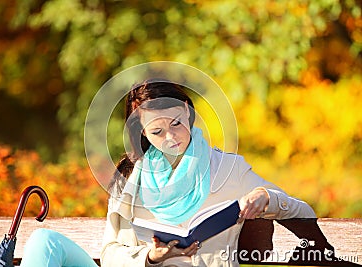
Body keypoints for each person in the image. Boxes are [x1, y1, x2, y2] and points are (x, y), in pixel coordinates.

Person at [20, 79, 315, 267]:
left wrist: (267, 198)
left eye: (176, 123)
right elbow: (110, 254)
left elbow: (304, 212)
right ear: (144, 134)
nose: (171, 137)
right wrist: (149, 257)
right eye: (157, 131)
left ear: (187, 111)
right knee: (43, 242)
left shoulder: (228, 169)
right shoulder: (130, 178)